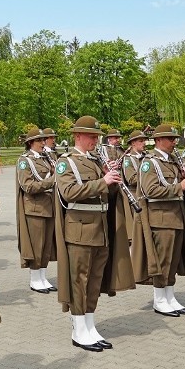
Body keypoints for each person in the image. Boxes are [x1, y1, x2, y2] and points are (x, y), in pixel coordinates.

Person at [54, 116, 135, 352]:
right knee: (80, 280)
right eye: (91, 136)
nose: (95, 140)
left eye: (97, 137)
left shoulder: (97, 161)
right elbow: (68, 192)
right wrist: (103, 181)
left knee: (95, 280)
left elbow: (105, 197)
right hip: (79, 230)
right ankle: (78, 329)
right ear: (78, 136)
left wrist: (111, 184)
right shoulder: (66, 162)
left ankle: (89, 325)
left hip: (100, 229)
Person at [130, 124, 185, 317]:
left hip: (176, 217)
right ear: (159, 140)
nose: (173, 142)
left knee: (173, 261)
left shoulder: (172, 161)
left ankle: (170, 297)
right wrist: (180, 186)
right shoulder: (149, 163)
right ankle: (159, 299)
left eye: (174, 139)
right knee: (163, 261)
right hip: (161, 220)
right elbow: (149, 191)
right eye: (170, 139)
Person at [16, 128, 56, 293]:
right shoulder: (25, 161)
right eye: (39, 140)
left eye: (43, 140)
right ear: (31, 142)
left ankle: (43, 277)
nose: (43, 143)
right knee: (36, 246)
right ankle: (34, 279)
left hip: (49, 206)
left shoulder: (47, 158)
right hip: (35, 208)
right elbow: (28, 186)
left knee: (46, 246)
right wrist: (52, 181)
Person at [122, 130, 148, 236]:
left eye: (144, 141)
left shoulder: (147, 156)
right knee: (139, 228)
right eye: (141, 141)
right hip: (136, 196)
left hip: (148, 194)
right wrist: (150, 178)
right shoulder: (128, 159)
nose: (144, 143)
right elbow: (131, 179)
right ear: (133, 143)